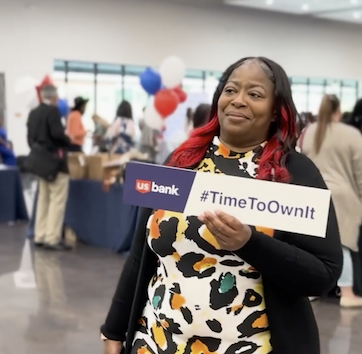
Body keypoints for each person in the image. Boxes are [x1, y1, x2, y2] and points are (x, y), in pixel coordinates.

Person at [100, 57, 342, 354]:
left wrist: (249, 243)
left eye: (254, 94)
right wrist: (113, 329)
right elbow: (141, 255)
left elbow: (324, 274)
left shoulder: (293, 174)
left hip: (247, 346)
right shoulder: (183, 162)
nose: (238, 101)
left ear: (276, 112)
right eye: (231, 90)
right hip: (155, 341)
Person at [300, 94, 362, 308]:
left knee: (313, 245)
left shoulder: (310, 132)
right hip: (343, 196)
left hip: (314, 192)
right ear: (338, 111)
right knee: (343, 245)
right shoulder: (351, 135)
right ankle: (347, 293)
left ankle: (309, 289)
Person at [26, 85, 72, 251]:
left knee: (43, 199)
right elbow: (57, 134)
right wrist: (68, 140)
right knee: (57, 200)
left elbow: (30, 139)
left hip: (40, 163)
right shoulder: (53, 112)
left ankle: (40, 235)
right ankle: (52, 238)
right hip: (55, 163)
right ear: (54, 96)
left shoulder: (33, 113)